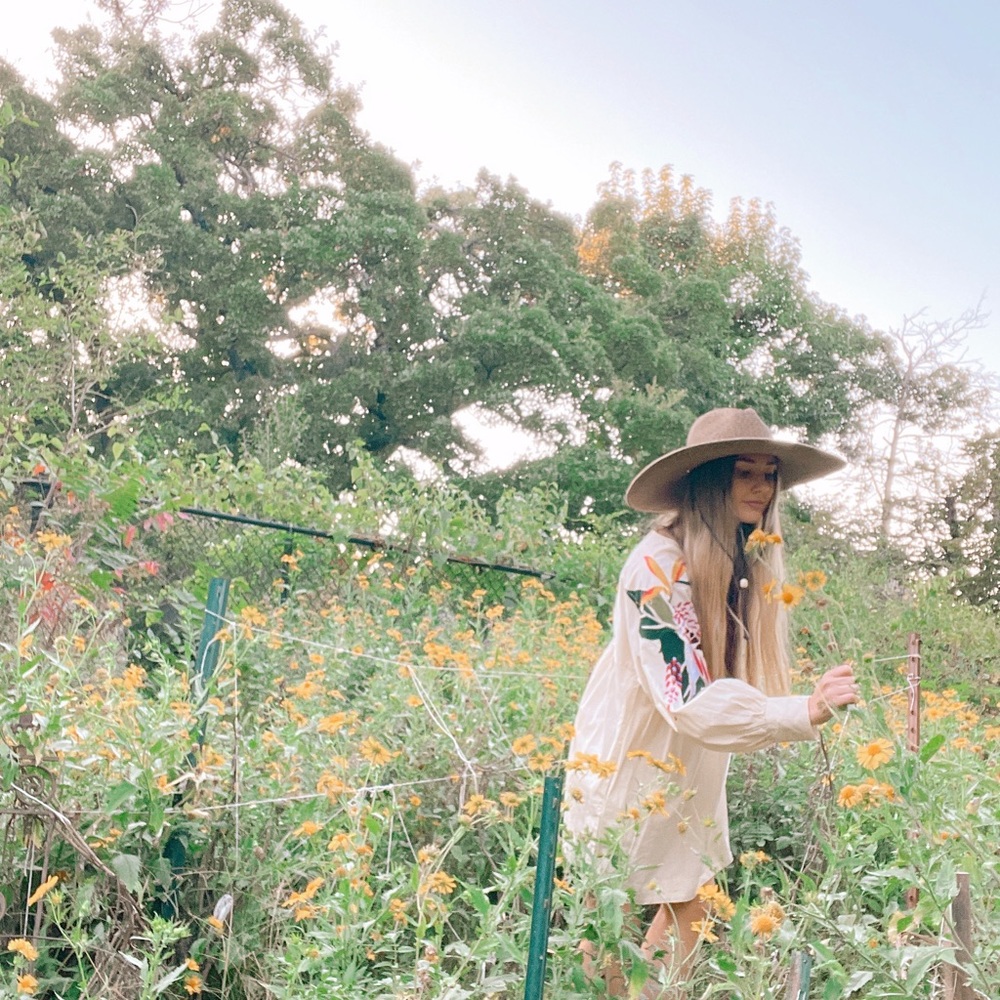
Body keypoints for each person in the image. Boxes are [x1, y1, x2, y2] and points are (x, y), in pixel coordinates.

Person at [563, 407, 859, 997]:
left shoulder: (739, 562)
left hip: (691, 763)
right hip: (630, 760)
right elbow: (688, 696)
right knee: (610, 915)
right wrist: (799, 711)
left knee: (688, 901)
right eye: (741, 472)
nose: (759, 486)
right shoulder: (654, 566)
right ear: (706, 480)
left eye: (768, 473)